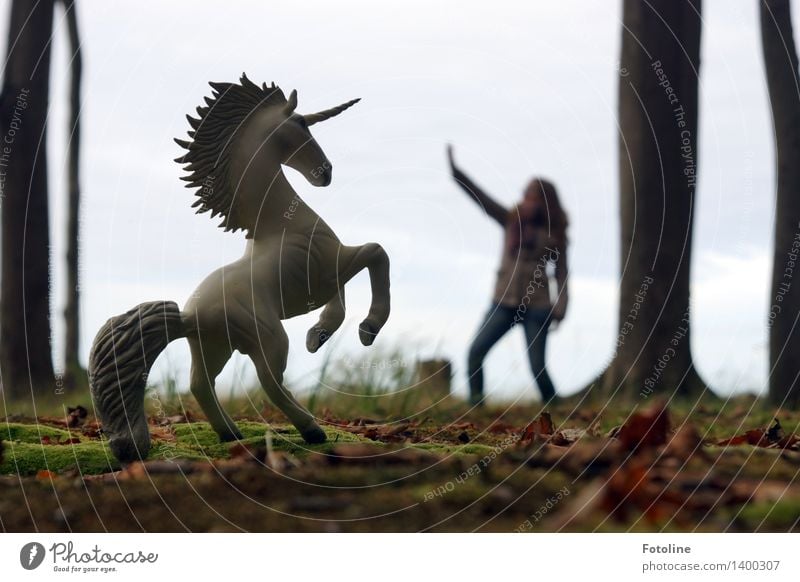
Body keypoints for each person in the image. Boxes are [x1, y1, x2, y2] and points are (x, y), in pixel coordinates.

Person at [447, 145, 569, 406]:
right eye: (525, 194)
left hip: (537, 307)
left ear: (546, 201)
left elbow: (562, 272)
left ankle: (557, 408)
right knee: (475, 353)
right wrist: (458, 175)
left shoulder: (554, 233)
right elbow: (482, 199)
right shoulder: (509, 220)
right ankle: (476, 406)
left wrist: (561, 306)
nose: (527, 200)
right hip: (503, 302)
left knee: (537, 367)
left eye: (533, 196)